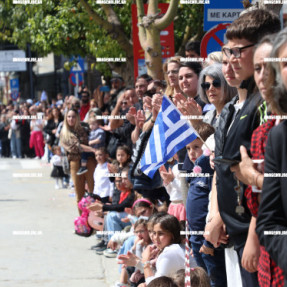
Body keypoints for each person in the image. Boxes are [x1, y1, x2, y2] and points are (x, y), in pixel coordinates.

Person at [204, 9, 280, 287]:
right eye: (226, 53)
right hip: (232, 232)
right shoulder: (235, 107)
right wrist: (216, 215)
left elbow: (263, 184)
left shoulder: (265, 108)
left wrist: (253, 237)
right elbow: (223, 167)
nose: (231, 61)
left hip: (256, 236)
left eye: (237, 52)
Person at [185, 122, 227, 287]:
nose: (191, 152)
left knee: (216, 280)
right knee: (204, 280)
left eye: (196, 147)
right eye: (188, 148)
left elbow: (214, 206)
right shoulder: (197, 172)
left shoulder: (210, 172)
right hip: (195, 238)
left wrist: (208, 243)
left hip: (209, 238)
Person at [59, 109, 97, 214]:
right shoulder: (64, 132)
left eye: (73, 116)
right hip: (75, 162)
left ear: (77, 118)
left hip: (89, 161)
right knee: (79, 194)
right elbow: (76, 147)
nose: (71, 119)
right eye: (69, 117)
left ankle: (94, 220)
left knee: (93, 191)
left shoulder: (83, 128)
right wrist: (92, 149)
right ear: (66, 118)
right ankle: (83, 221)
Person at [198, 63, 237, 128]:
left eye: (216, 84)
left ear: (227, 85)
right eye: (206, 85)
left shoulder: (235, 114)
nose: (210, 89)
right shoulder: (208, 116)